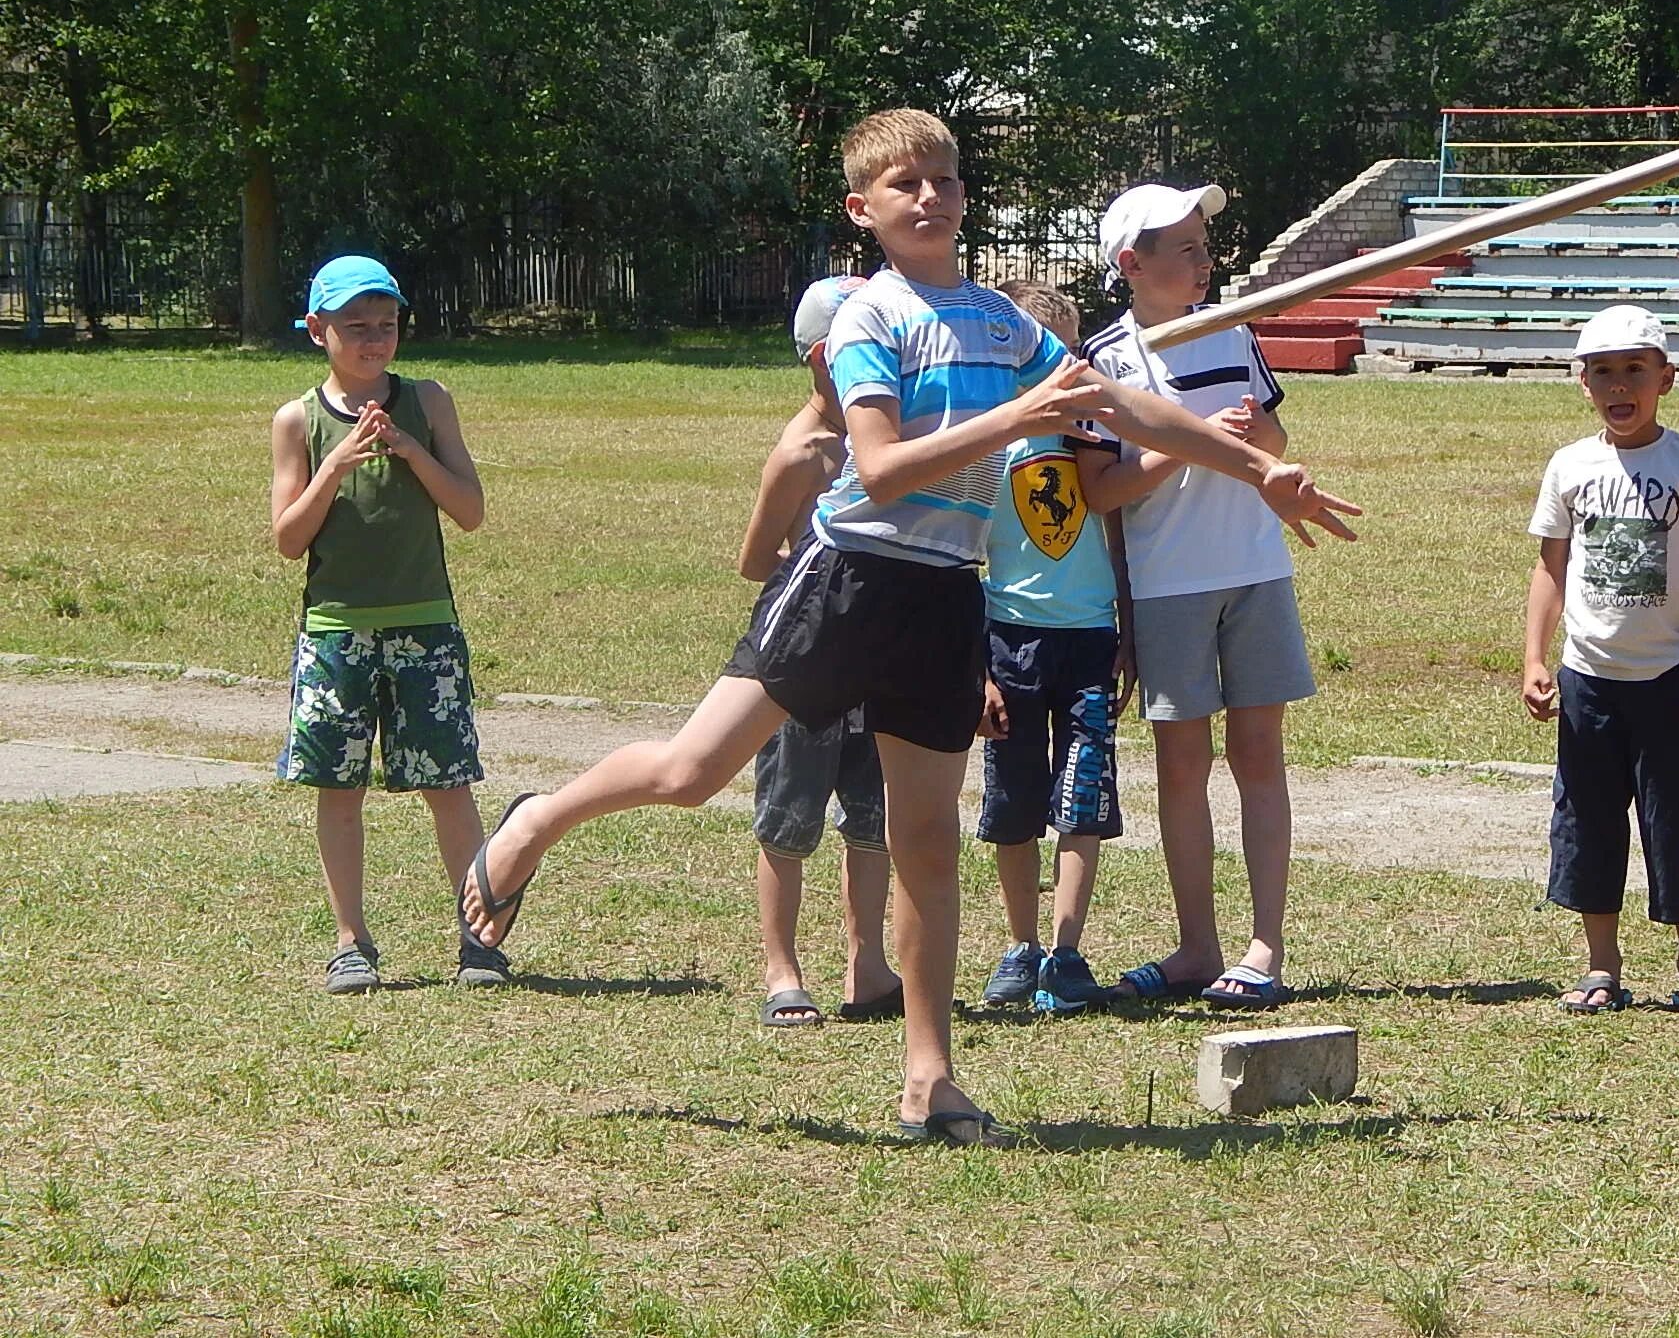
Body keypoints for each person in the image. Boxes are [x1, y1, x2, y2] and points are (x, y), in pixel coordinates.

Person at [459, 111, 1360, 1145]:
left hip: (943, 591)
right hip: (846, 575)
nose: (929, 197)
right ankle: (533, 822)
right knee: (689, 772)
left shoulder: (1001, 322)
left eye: (943, 178)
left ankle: (929, 1079)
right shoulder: (867, 319)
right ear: (864, 210)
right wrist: (1013, 422)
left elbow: (1123, 408)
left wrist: (1260, 468)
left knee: (928, 843)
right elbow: (879, 468)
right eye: (904, 185)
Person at [1080, 182, 1316, 1010]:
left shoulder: (1233, 330)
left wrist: (1261, 440)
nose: (1202, 258)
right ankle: (1196, 946)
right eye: (1182, 246)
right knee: (1183, 767)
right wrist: (1186, 445)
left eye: (1202, 243)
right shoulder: (1106, 360)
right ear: (1130, 264)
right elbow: (1101, 491)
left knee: (1259, 757)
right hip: (1169, 584)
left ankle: (1265, 946)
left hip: (1254, 569)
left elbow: (1277, 441)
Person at [268, 255, 494, 993]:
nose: (373, 339)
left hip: (425, 626)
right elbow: (287, 538)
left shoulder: (427, 401)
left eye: (386, 325)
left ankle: (479, 937)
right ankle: (350, 941)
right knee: (339, 787)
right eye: (355, 326)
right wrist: (334, 466)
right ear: (317, 330)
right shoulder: (297, 420)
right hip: (335, 632)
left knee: (448, 783)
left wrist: (408, 448)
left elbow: (469, 510)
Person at [1522, 306, 1679, 1015]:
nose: (1620, 387)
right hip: (1589, 676)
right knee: (1589, 817)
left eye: (1635, 371)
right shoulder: (1570, 466)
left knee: (1678, 818)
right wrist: (1536, 656)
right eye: (1603, 373)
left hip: (1672, 676)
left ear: (1666, 379)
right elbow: (1550, 568)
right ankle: (1600, 966)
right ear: (1582, 382)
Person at [737, 275, 900, 1029]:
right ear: (821, 357)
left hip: (878, 653)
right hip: (805, 657)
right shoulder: (804, 451)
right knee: (789, 817)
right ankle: (782, 969)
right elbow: (754, 558)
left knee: (873, 818)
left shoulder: (892, 435)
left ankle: (868, 965)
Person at [975, 280, 1134, 1015]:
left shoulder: (1094, 437)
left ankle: (1067, 952)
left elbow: (1113, 528)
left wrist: (1126, 624)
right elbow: (958, 561)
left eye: (1067, 353)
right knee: (1014, 800)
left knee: (1082, 798)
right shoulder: (984, 438)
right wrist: (976, 666)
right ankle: (1021, 944)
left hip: (1089, 639)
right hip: (1008, 641)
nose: (1058, 370)